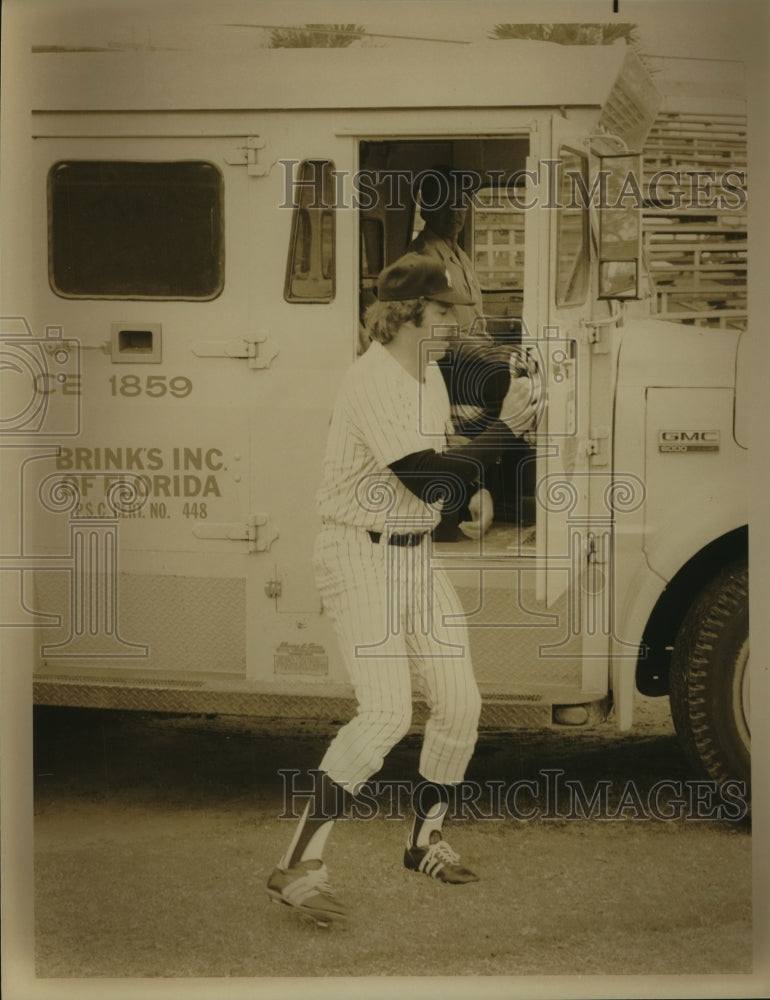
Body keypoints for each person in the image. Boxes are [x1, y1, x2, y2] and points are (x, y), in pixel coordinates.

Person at [267, 253, 540, 926]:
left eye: (455, 312)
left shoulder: (424, 375)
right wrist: (504, 432)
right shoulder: (373, 378)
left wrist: (466, 484)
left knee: (460, 703)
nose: (455, 324)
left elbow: (436, 464)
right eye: (444, 312)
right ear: (405, 313)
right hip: (356, 553)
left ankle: (424, 840)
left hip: (412, 555)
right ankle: (297, 863)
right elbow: (428, 478)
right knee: (386, 714)